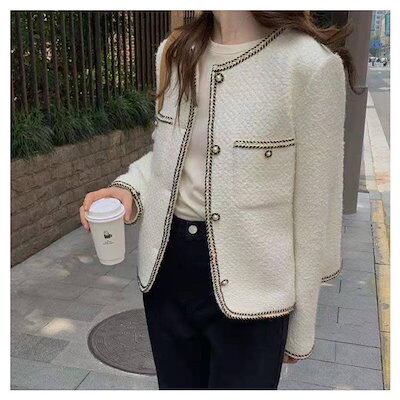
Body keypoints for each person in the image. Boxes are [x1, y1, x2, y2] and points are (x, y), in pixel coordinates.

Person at [80, 11, 359, 389]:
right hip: (167, 273)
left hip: (256, 287)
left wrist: (301, 327)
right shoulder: (174, 52)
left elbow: (315, 208)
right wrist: (128, 189)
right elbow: (167, 154)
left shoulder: (308, 65)